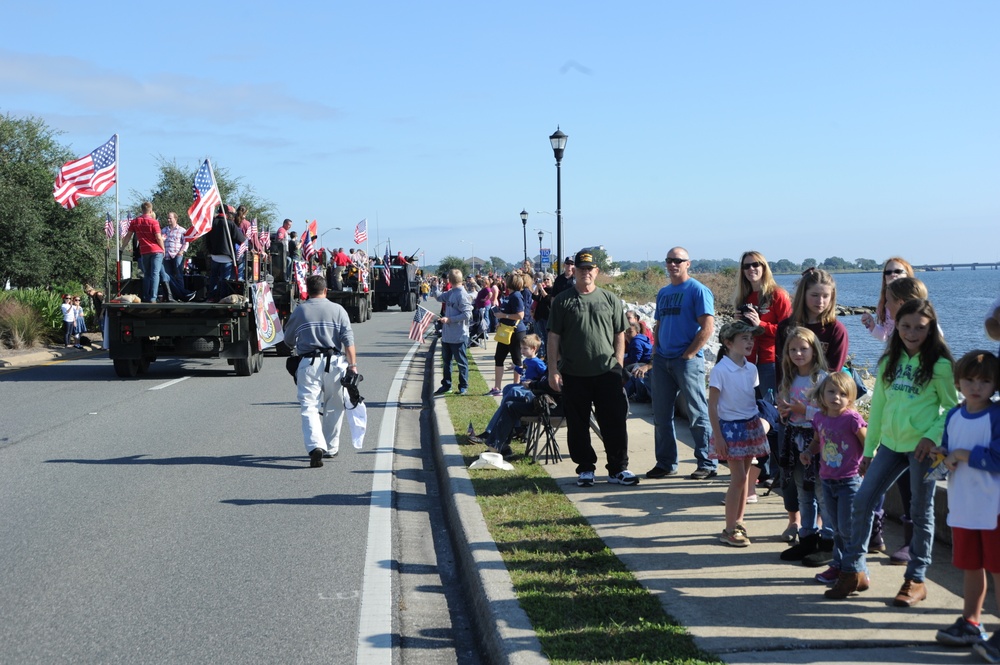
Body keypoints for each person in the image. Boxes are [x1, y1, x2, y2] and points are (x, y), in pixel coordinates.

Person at [825, 298, 959, 604]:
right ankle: (854, 571)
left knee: (920, 512)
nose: (912, 333)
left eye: (920, 327)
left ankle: (916, 579)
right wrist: (869, 450)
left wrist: (930, 436)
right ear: (896, 327)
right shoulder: (888, 363)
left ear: (931, 329)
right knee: (862, 502)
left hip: (923, 450)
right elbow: (880, 410)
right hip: (889, 445)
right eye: (905, 326)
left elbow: (951, 409)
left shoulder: (939, 365)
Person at [547, 250, 637, 488]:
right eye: (581, 269)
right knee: (578, 424)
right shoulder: (563, 300)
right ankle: (585, 468)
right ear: (574, 271)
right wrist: (552, 369)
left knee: (614, 422)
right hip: (574, 373)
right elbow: (553, 336)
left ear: (596, 271)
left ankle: (618, 468)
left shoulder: (610, 299)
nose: (585, 273)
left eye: (590, 269)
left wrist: (619, 365)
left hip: (607, 371)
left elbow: (620, 333)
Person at [930, 350, 1000, 653]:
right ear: (958, 381)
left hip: (993, 508)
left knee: (998, 569)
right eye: (969, 380)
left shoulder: (997, 416)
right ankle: (971, 622)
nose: (976, 387)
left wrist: (962, 455)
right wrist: (942, 454)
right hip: (963, 506)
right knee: (971, 566)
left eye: (984, 381)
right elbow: (949, 448)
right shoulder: (954, 415)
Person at [636, 247, 716, 480]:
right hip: (662, 361)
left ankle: (707, 463)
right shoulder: (663, 293)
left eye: (678, 260)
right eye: (669, 260)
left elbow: (707, 327)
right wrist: (655, 355)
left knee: (697, 413)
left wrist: (689, 354)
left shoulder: (698, 290)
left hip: (687, 362)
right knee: (661, 415)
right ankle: (666, 463)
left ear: (687, 263)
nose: (673, 264)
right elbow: (659, 325)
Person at [283, 275, 358, 467]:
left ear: (307, 291)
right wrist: (352, 366)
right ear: (326, 290)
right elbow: (348, 341)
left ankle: (315, 445)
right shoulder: (338, 310)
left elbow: (288, 340)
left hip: (309, 363)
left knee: (309, 407)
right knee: (335, 406)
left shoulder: (300, 310)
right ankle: (331, 448)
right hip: (335, 362)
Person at [709, 320, 770, 547]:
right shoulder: (720, 370)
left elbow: (750, 398)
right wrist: (719, 437)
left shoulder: (751, 368)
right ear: (728, 343)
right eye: (744, 338)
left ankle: (739, 522)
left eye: (751, 338)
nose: (750, 342)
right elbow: (713, 406)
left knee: (745, 477)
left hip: (750, 426)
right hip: (731, 429)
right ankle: (729, 527)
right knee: (737, 478)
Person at [805, 372, 868, 585]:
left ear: (850, 398)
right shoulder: (819, 418)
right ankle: (839, 564)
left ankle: (857, 569)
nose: (836, 397)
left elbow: (867, 443)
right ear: (822, 394)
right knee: (836, 528)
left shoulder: (852, 419)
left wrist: (868, 463)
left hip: (849, 481)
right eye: (831, 392)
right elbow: (817, 442)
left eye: (843, 394)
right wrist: (808, 452)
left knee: (847, 528)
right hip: (828, 480)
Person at [776, 327, 829, 552]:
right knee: (802, 490)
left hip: (816, 441)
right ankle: (806, 535)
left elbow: (829, 415)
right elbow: (785, 410)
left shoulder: (822, 379)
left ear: (814, 350)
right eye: (793, 349)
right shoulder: (789, 379)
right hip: (793, 439)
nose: (798, 354)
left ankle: (829, 537)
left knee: (820, 491)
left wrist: (802, 409)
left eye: (804, 349)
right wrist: (783, 411)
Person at [469, 334, 547, 455]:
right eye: (521, 348)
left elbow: (544, 377)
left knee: (514, 391)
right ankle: (515, 426)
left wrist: (533, 383)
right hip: (524, 386)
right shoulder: (526, 361)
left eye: (525, 349)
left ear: (534, 349)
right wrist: (516, 367)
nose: (522, 351)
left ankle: (494, 431)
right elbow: (524, 371)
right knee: (507, 388)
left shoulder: (538, 363)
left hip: (532, 390)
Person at [776, 268, 848, 386]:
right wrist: (781, 393)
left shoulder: (837, 330)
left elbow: (834, 371)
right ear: (803, 294)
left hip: (821, 396)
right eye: (814, 295)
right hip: (791, 393)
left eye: (825, 296)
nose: (820, 301)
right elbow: (781, 367)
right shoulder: (785, 327)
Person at [434, 269, 473, 396]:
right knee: (446, 362)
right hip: (447, 335)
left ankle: (463, 386)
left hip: (459, 335)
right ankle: (446, 385)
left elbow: (467, 314)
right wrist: (435, 286)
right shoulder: (451, 292)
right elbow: (439, 297)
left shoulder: (462, 294)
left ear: (450, 280)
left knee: (461, 362)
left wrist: (450, 319)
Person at [488, 272, 527, 396]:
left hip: (516, 332)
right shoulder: (508, 296)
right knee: (499, 357)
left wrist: (504, 316)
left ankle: (516, 386)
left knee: (516, 359)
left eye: (507, 280)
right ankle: (497, 387)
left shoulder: (516, 296)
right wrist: (501, 319)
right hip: (505, 330)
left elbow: (520, 315)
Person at [861, 257, 914, 341]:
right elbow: (885, 336)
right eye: (888, 272)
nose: (893, 274)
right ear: (884, 278)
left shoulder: (917, 304)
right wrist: (872, 325)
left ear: (908, 275)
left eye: (898, 271)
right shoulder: (885, 304)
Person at [124, 202, 165, 303]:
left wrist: (122, 247)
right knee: (155, 274)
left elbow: (128, 236)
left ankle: (146, 296)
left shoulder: (135, 221)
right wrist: (163, 249)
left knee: (146, 274)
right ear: (151, 211)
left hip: (144, 251)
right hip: (156, 250)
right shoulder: (154, 222)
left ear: (142, 210)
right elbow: (158, 237)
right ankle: (153, 297)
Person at [206, 206, 246, 302]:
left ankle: (211, 297)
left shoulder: (212, 223)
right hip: (227, 256)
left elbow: (207, 240)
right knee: (224, 279)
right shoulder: (230, 224)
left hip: (214, 255)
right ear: (227, 213)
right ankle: (222, 297)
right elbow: (241, 240)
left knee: (213, 277)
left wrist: (210, 251)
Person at [161, 212, 194, 301]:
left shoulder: (182, 230)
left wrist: (181, 252)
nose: (168, 220)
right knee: (168, 276)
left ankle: (181, 295)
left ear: (175, 219)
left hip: (177, 255)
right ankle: (170, 296)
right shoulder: (164, 230)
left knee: (178, 276)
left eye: (170, 218)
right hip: (166, 256)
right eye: (167, 218)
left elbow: (186, 242)